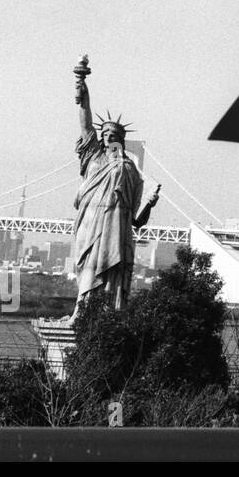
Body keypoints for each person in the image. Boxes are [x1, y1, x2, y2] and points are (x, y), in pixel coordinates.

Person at [70, 60, 159, 317]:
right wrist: (81, 87)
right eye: (105, 134)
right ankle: (83, 310)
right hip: (92, 222)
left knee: (115, 271)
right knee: (90, 266)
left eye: (114, 135)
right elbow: (85, 123)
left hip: (118, 227)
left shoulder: (131, 170)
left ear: (121, 140)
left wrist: (150, 203)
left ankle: (111, 313)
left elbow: (137, 218)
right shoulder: (94, 156)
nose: (108, 137)